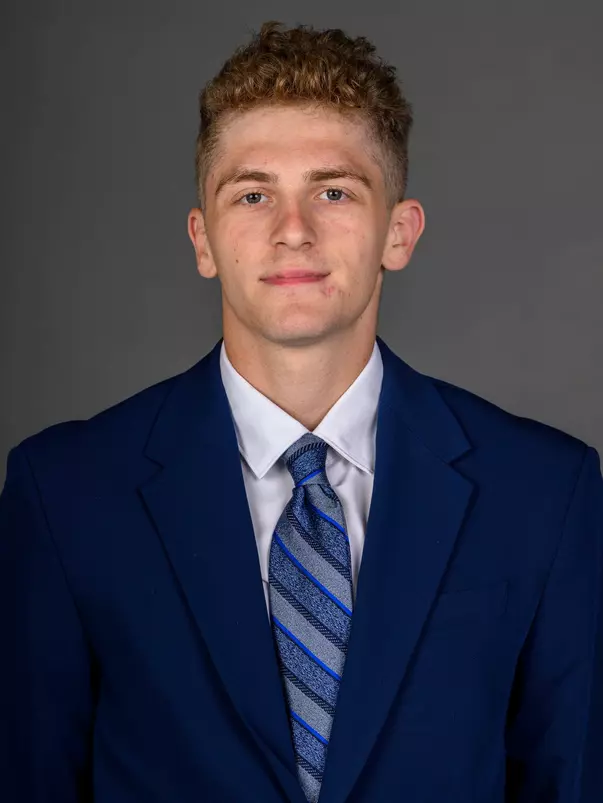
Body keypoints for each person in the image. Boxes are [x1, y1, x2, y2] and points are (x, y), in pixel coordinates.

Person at [1, 19, 602, 803]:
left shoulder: (545, 493)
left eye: (333, 190)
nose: (292, 230)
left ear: (398, 231)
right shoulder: (63, 494)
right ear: (203, 240)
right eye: (252, 194)